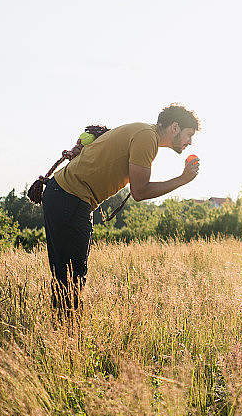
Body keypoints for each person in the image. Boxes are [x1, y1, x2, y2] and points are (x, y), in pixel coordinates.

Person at [42, 103, 201, 311]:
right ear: (174, 127)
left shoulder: (144, 133)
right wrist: (182, 180)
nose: (190, 141)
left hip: (64, 196)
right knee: (71, 278)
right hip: (68, 197)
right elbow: (140, 192)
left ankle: (64, 333)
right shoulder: (146, 138)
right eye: (189, 134)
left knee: (67, 277)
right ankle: (67, 335)